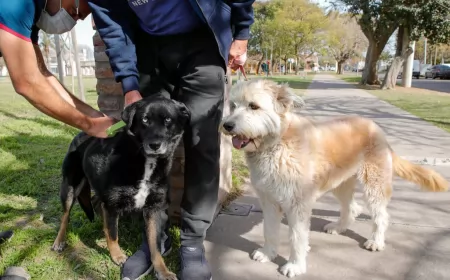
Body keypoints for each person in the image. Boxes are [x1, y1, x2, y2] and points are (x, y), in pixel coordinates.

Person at [88, 0, 254, 279]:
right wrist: (129, 83)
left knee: (203, 146)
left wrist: (242, 33)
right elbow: (112, 23)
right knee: (146, 145)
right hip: (148, 47)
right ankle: (155, 239)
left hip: (202, 41)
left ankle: (191, 243)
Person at [0, 0, 117, 138]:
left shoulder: (34, 15)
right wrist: (89, 125)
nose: (71, 23)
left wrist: (93, 115)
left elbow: (42, 73)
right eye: (74, 12)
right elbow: (27, 81)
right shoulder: (16, 4)